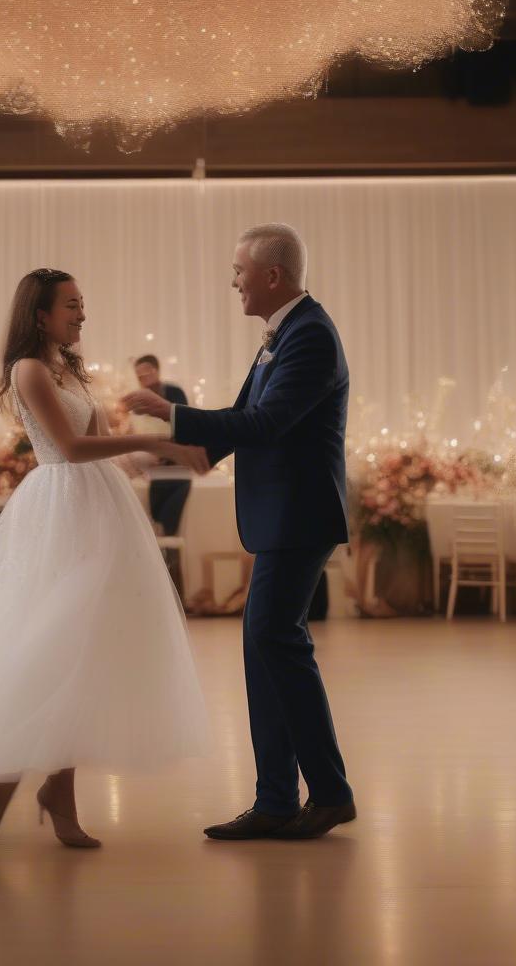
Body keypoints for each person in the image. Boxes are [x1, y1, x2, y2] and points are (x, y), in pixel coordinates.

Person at [0, 268, 211, 849]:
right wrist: (152, 441)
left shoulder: (71, 371)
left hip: (99, 508)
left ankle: (59, 790)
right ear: (40, 314)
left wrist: (160, 455)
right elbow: (69, 448)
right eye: (72, 306)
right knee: (50, 639)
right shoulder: (29, 369)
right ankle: (7, 764)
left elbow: (103, 448)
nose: (82, 314)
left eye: (83, 305)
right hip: (57, 506)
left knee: (84, 647)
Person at [125, 223, 355, 841]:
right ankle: (277, 799)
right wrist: (198, 452)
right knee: (266, 648)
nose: (234, 282)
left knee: (276, 643)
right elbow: (243, 420)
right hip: (282, 514)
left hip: (298, 516)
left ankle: (327, 793)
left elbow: (268, 421)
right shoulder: (285, 334)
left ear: (271, 276)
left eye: (239, 271)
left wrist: (169, 413)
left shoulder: (309, 336)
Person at [133, 355, 192, 536]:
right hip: (154, 472)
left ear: (157, 370)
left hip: (178, 471)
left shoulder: (173, 392)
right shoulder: (139, 400)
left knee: (171, 526)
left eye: (146, 372)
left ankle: (173, 563)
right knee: (156, 524)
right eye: (139, 374)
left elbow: (184, 424)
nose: (143, 377)